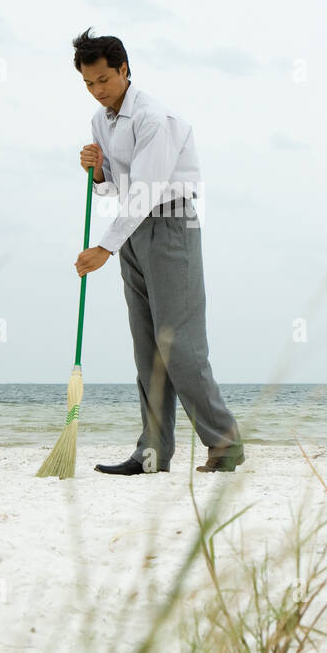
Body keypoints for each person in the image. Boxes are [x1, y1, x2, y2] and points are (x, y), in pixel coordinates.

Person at [71, 27, 245, 475]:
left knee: (181, 347)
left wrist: (103, 249)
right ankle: (151, 455)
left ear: (124, 70)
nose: (97, 90)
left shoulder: (153, 118)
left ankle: (225, 446)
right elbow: (115, 189)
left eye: (104, 80)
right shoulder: (99, 121)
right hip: (131, 229)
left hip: (171, 224)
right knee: (147, 350)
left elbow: (146, 190)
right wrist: (96, 173)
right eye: (89, 83)